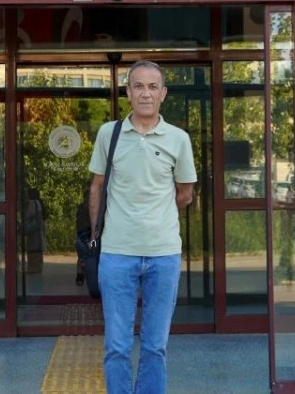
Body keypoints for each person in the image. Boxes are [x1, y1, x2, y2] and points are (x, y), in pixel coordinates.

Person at [89, 60, 196, 394]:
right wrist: (96, 233)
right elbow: (97, 187)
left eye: (152, 87)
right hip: (117, 254)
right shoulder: (109, 134)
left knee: (155, 346)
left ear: (163, 94)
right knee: (116, 346)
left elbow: (185, 193)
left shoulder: (179, 139)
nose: (145, 93)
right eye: (138, 86)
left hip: (164, 254)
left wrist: (156, 215)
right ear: (128, 92)